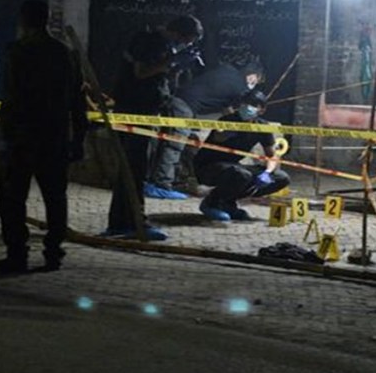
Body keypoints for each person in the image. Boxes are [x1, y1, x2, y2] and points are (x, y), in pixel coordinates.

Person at [0, 0, 88, 272]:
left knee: (12, 199)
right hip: (54, 136)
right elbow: (77, 99)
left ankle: (17, 254)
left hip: (21, 136)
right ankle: (53, 253)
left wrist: (5, 135)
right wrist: (78, 137)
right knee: (55, 198)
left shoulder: (17, 51)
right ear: (47, 19)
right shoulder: (65, 53)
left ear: (23, 20)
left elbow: (11, 96)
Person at [104, 14, 203, 238]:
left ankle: (128, 220)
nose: (185, 45)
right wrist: (172, 60)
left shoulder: (163, 45)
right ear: (178, 32)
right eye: (186, 40)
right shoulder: (149, 41)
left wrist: (176, 67)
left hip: (146, 110)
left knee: (136, 169)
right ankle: (128, 222)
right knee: (133, 168)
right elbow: (141, 72)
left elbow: (160, 76)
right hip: (134, 111)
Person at [145, 60, 265, 199]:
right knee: (174, 146)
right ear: (252, 76)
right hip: (185, 107)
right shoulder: (240, 87)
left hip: (176, 99)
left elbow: (218, 98)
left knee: (163, 142)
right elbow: (235, 110)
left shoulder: (226, 70)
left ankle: (151, 181)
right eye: (256, 81)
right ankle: (162, 185)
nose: (254, 84)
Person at [194, 89, 290, 221]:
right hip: (209, 166)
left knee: (281, 178)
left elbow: (272, 156)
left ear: (262, 110)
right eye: (245, 103)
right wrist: (231, 128)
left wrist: (267, 173)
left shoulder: (262, 126)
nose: (248, 107)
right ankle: (212, 202)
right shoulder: (228, 120)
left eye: (254, 105)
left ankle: (228, 203)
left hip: (233, 166)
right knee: (242, 175)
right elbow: (219, 136)